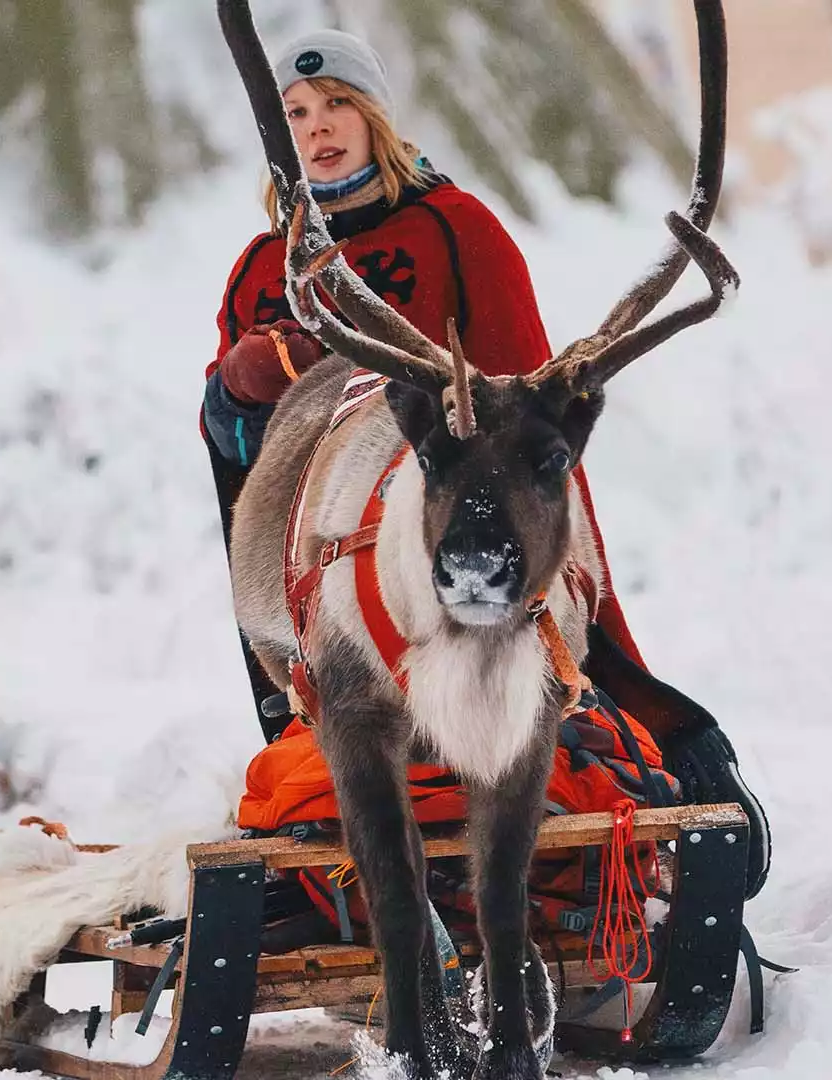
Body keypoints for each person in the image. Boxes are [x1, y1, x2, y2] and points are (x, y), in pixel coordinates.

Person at [201, 29, 646, 739]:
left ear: (374, 114)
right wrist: (241, 386)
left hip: (459, 538)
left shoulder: (455, 229)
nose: (318, 128)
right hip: (323, 561)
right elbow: (233, 450)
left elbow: (529, 409)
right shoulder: (262, 268)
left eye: (337, 103)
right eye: (296, 114)